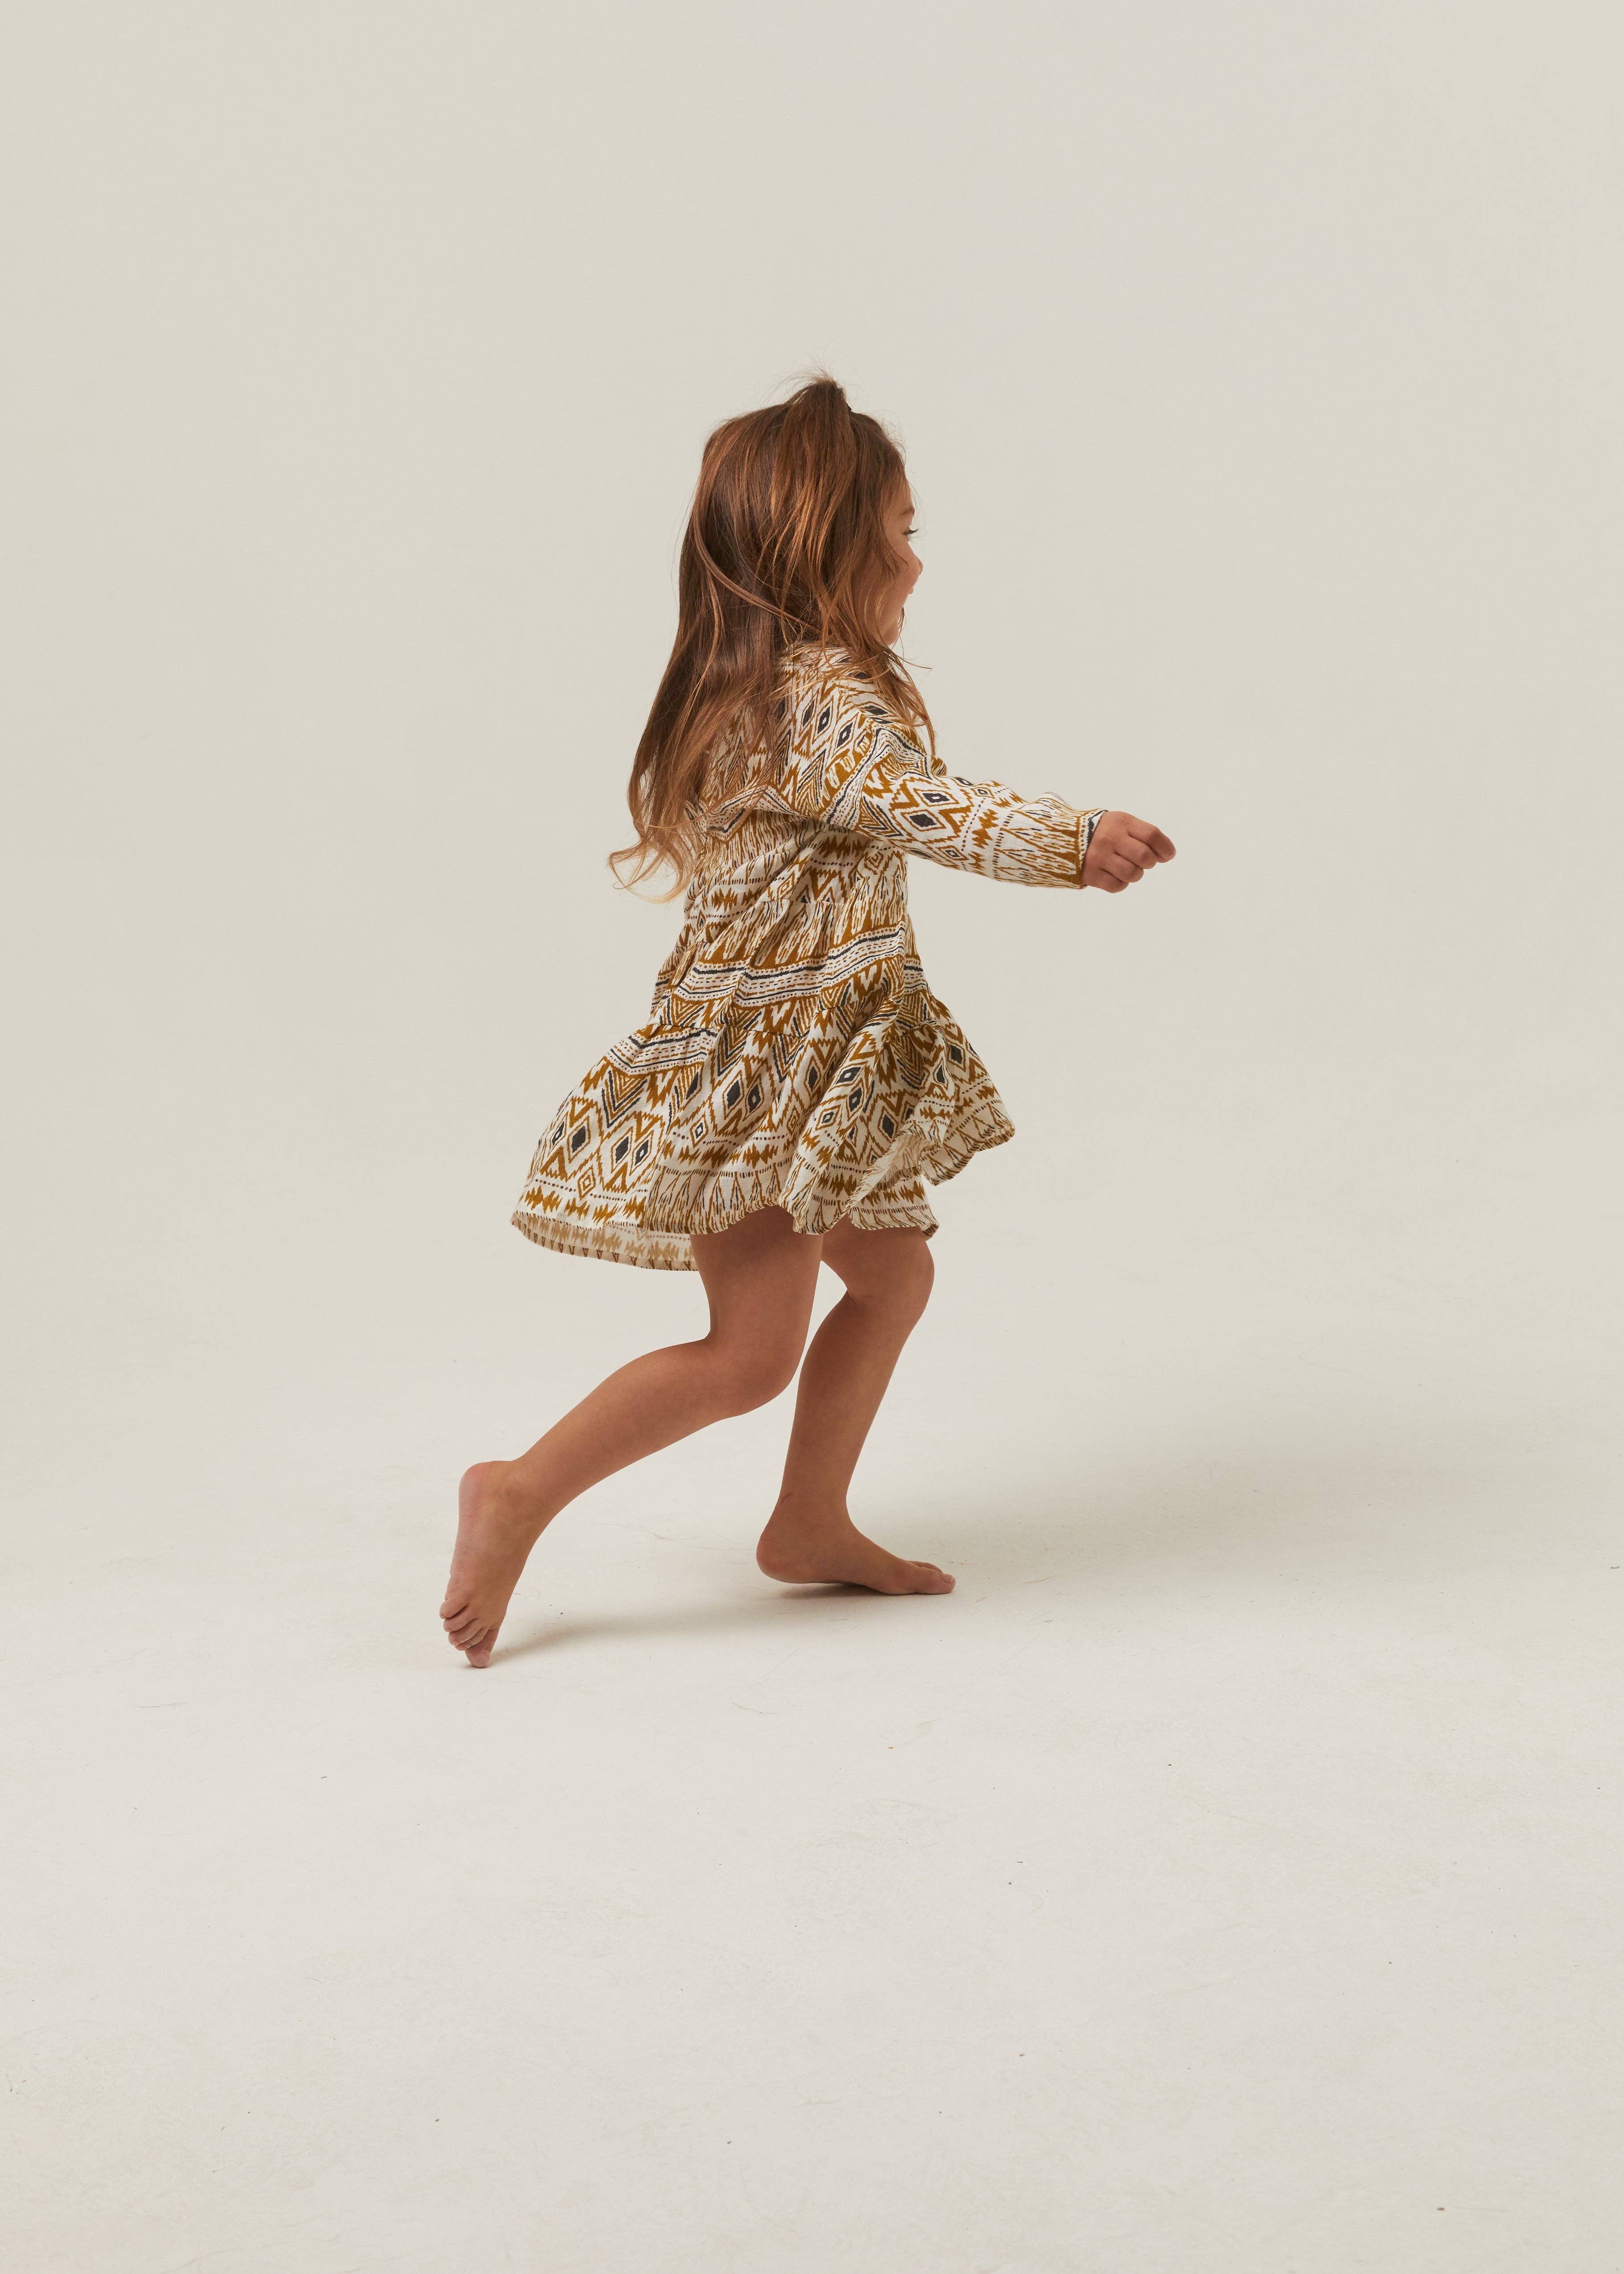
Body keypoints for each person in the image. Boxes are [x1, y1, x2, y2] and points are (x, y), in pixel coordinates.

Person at [441, 377, 1175, 1666]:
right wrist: (1072, 841)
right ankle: (517, 1490)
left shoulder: (759, 688)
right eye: (899, 532)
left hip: (809, 1057)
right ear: (826, 552)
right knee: (747, 1355)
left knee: (894, 1275)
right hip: (769, 1074)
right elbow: (922, 805)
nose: (917, 561)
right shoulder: (821, 701)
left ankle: (810, 1519)